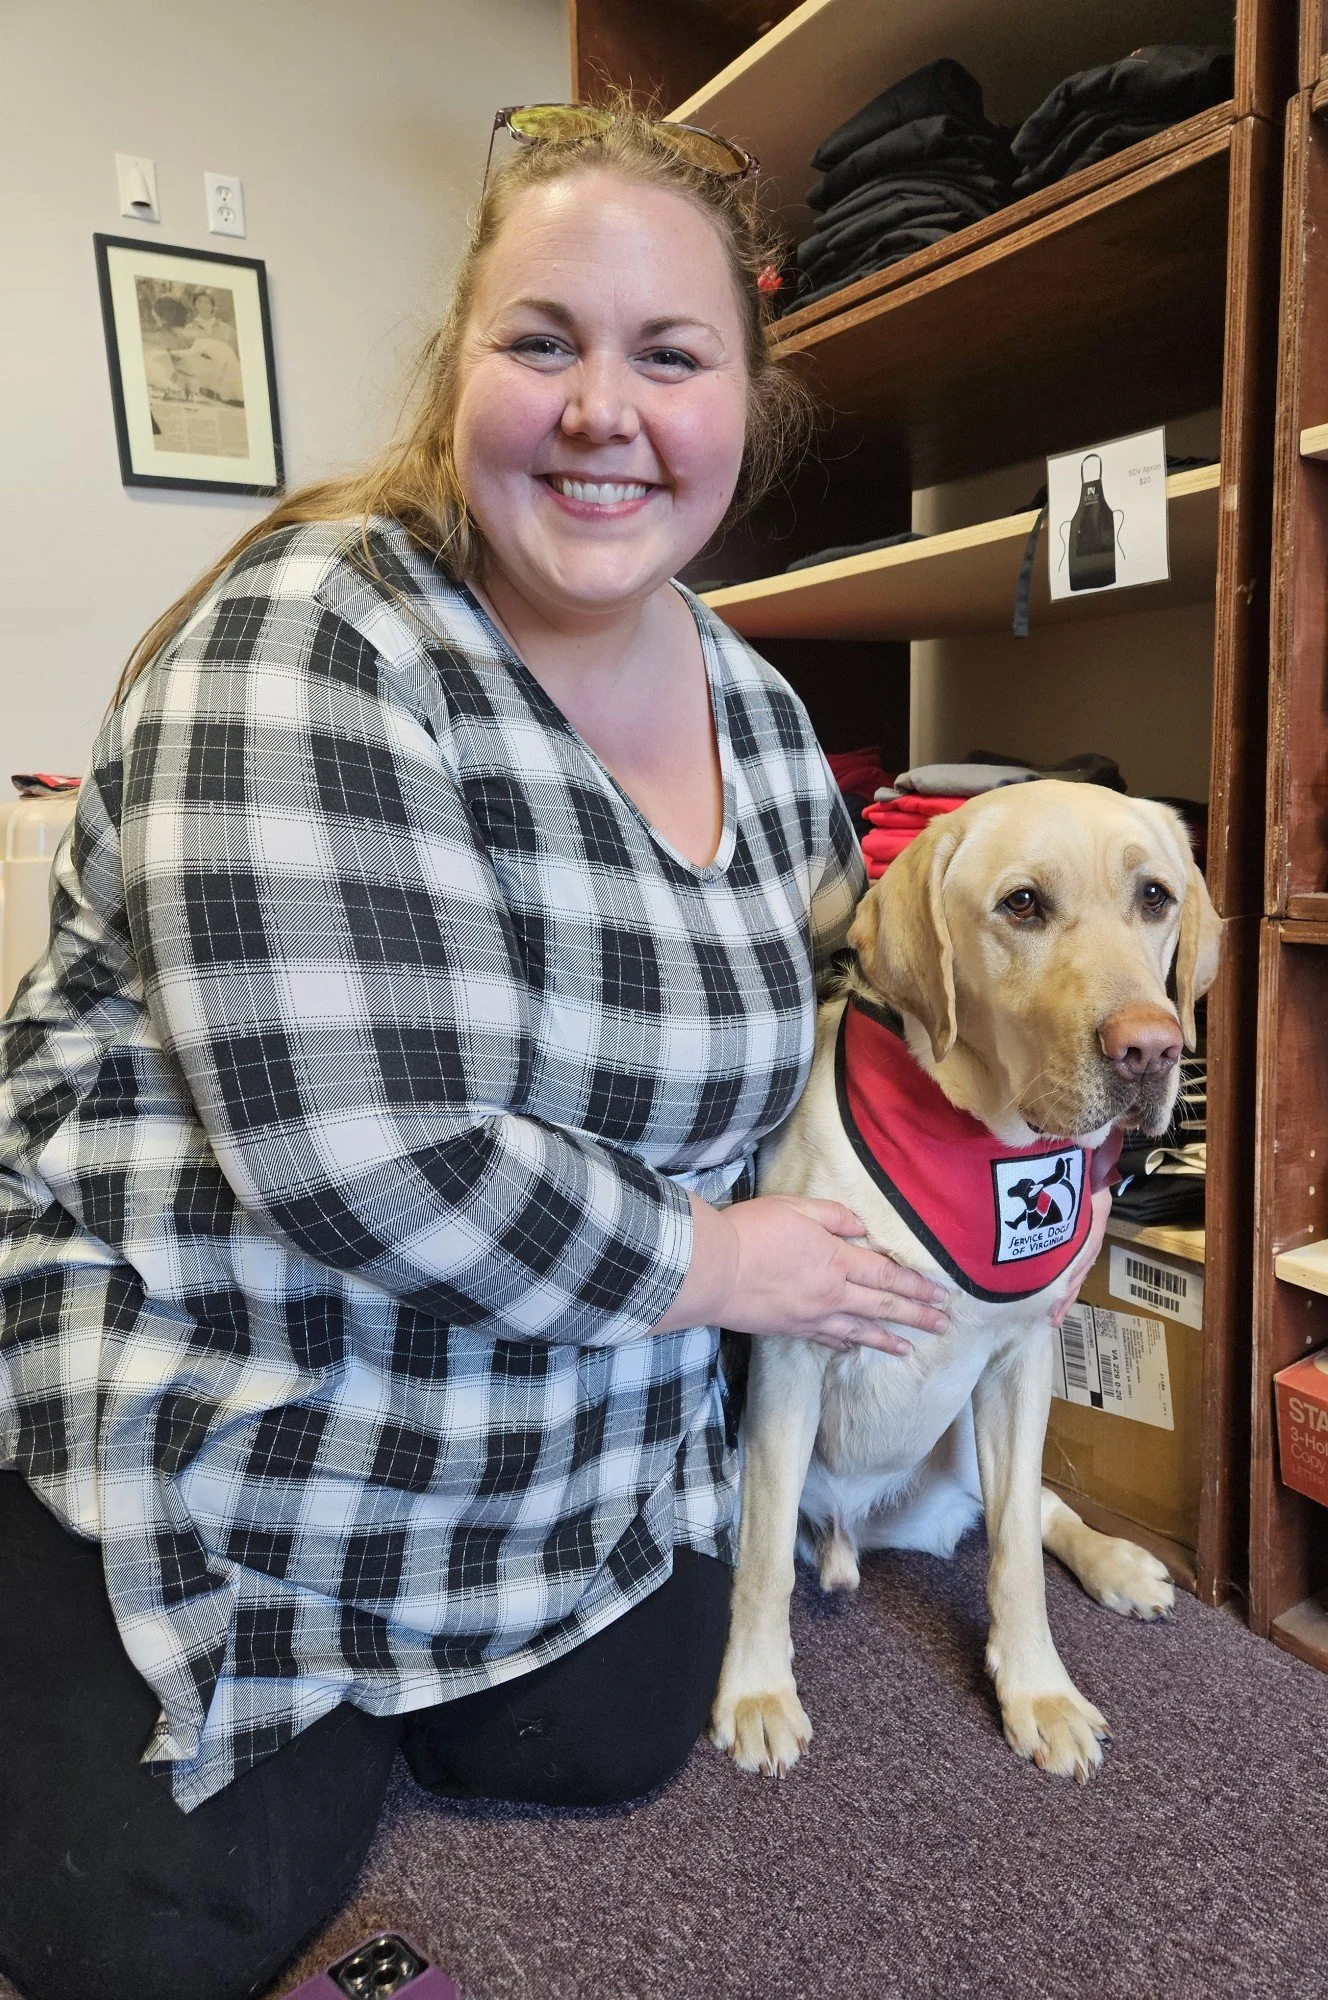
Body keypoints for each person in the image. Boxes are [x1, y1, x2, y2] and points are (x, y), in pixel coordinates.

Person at [0, 103, 1104, 2000]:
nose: (606, 409)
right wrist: (731, 1263)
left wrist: (1063, 1038)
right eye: (544, 343)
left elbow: (868, 965)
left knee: (600, 1741)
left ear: (742, 404)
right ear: (462, 375)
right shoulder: (300, 654)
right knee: (137, 1939)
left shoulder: (757, 715)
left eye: (669, 357)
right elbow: (366, 1163)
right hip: (238, 1374)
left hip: (570, 1406)